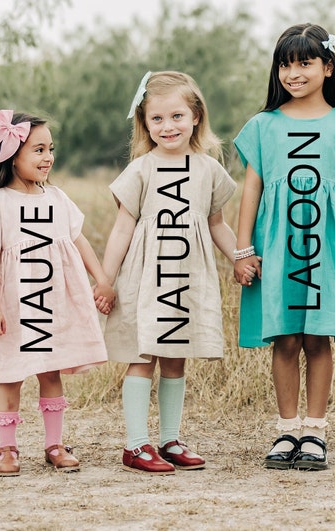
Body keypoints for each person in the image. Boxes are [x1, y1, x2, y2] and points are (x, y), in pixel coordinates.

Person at [233, 23, 335, 471]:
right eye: (285, 64)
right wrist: (242, 251)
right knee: (284, 337)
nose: (293, 73)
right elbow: (251, 190)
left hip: (327, 247)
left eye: (304, 62)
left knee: (318, 338)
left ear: (327, 67)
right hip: (277, 247)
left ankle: (315, 432)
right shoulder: (263, 125)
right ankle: (286, 428)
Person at [100, 71, 238, 474]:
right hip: (146, 277)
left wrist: (240, 257)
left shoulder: (208, 168)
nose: (167, 126)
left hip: (185, 277)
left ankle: (170, 439)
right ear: (144, 124)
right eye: (156, 119)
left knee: (176, 358)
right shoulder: (142, 169)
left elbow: (217, 225)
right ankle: (135, 445)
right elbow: (122, 228)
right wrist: (106, 281)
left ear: (196, 116)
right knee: (143, 356)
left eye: (177, 116)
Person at [0, 109, 113, 476]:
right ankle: (6, 448)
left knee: (51, 372)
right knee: (11, 374)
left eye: (50, 148)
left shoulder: (56, 197)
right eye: (37, 150)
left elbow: (77, 240)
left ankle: (54, 444)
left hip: (51, 301)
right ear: (11, 155)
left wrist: (101, 278)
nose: (48, 157)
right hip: (15, 304)